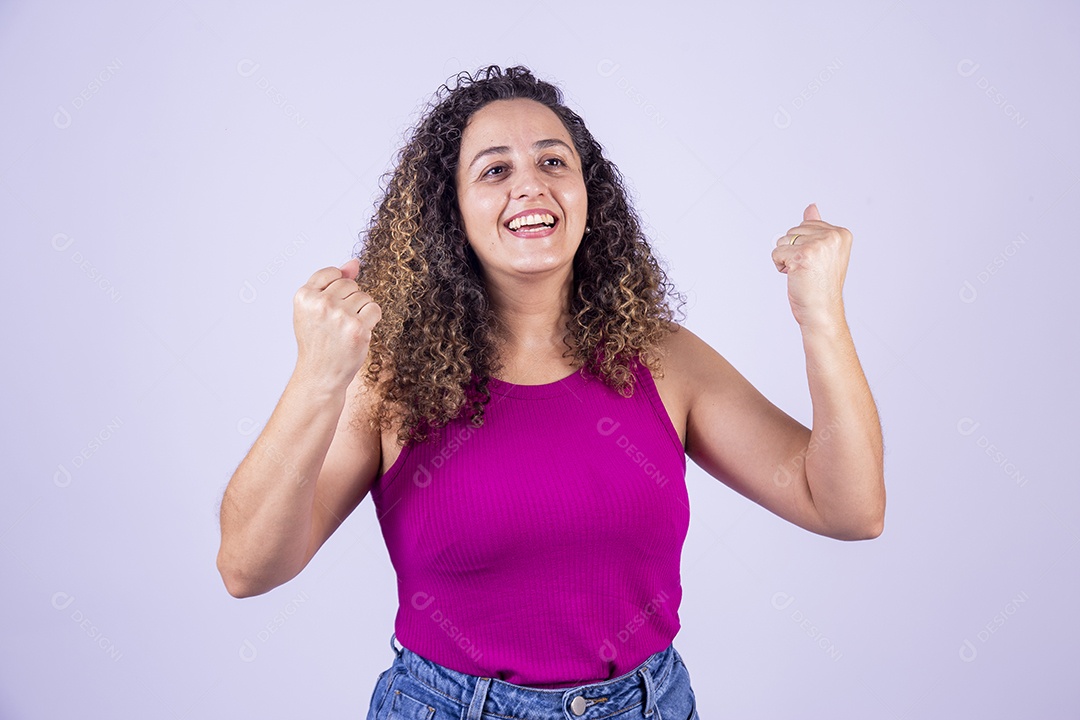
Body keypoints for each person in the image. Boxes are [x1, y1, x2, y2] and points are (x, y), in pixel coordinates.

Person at [216, 64, 884, 719]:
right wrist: (318, 376)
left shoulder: (663, 358)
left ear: (589, 194)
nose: (531, 186)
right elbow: (248, 569)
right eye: (495, 170)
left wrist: (820, 314)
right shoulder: (389, 377)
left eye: (554, 163)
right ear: (450, 211)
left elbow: (848, 509)